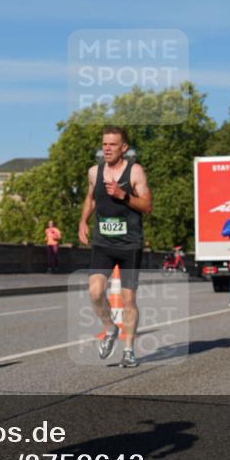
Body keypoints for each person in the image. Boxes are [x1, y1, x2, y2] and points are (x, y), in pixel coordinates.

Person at [78, 126, 152, 368]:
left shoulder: (135, 172)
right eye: (104, 144)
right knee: (95, 292)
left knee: (128, 300)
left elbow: (147, 205)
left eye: (112, 144)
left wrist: (124, 195)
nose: (107, 148)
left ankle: (129, 351)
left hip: (130, 244)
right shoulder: (94, 172)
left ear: (124, 148)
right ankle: (110, 329)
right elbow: (90, 197)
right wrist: (83, 222)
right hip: (103, 242)